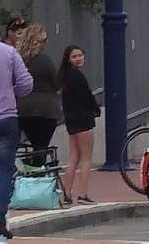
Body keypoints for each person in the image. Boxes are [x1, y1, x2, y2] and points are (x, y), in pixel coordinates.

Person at [0, 28, 34, 239]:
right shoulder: (8, 52)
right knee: (4, 170)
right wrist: (12, 94)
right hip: (6, 117)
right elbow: (26, 84)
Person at [57, 45, 99, 206]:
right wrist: (95, 109)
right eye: (74, 56)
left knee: (73, 157)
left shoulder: (65, 76)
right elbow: (86, 97)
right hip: (83, 119)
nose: (79, 58)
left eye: (80, 55)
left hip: (71, 120)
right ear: (68, 59)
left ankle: (67, 195)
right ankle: (83, 194)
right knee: (86, 158)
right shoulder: (78, 76)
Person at [16, 25, 61, 169]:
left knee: (34, 143)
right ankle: (37, 172)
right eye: (45, 40)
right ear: (38, 41)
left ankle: (31, 168)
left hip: (23, 108)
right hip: (46, 109)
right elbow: (57, 82)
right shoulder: (45, 60)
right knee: (41, 146)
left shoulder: (18, 59)